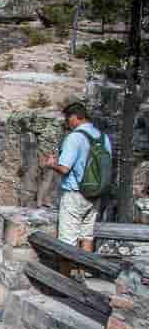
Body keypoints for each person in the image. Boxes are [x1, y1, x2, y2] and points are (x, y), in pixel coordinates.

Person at [40, 97, 112, 278]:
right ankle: (85, 275)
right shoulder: (103, 138)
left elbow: (64, 168)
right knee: (86, 236)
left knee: (67, 241)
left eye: (67, 119)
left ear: (75, 117)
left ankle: (64, 282)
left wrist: (51, 163)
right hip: (95, 194)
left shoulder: (75, 138)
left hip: (75, 195)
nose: (67, 123)